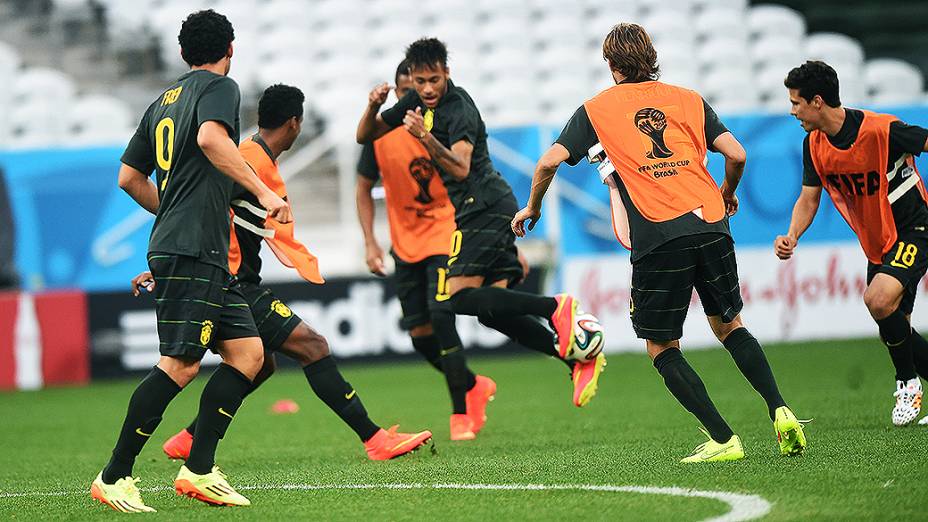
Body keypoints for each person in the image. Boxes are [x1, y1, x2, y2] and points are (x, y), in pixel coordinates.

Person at [512, 23, 807, 463]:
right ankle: (781, 410)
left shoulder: (596, 109)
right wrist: (727, 194)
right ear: (652, 58)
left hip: (659, 233)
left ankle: (724, 439)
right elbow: (738, 154)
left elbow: (548, 162)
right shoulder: (687, 98)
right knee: (730, 326)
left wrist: (532, 208)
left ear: (610, 65)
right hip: (711, 223)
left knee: (662, 346)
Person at [144, 84, 433, 461]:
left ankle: (188, 438)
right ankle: (374, 438)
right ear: (295, 123)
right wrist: (172, 266)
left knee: (261, 364)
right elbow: (195, 207)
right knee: (313, 346)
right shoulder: (246, 159)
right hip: (228, 281)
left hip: (234, 279)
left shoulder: (255, 156)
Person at [90, 9, 291, 511]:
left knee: (250, 355)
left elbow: (128, 178)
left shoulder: (161, 102)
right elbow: (210, 139)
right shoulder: (220, 88)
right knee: (180, 364)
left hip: (194, 246)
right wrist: (263, 191)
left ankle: (199, 469)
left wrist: (175, 215)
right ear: (230, 49)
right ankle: (114, 476)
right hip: (192, 248)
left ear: (182, 53)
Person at [356, 38, 606, 416]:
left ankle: (556, 306)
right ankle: (576, 361)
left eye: (434, 80)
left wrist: (424, 138)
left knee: (456, 298)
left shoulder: (459, 108)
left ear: (447, 73)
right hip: (473, 209)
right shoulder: (416, 102)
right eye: (420, 81)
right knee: (492, 313)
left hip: (484, 204)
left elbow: (459, 167)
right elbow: (366, 135)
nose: (426, 89)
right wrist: (374, 105)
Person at [776, 60, 928, 426]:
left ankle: (907, 384)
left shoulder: (881, 130)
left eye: (796, 102)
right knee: (893, 328)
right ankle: (909, 373)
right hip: (878, 241)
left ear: (816, 101)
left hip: (914, 228)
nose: (792, 110)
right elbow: (809, 198)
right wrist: (792, 235)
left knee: (877, 299)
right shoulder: (813, 144)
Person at [356, 60, 494, 441]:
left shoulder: (444, 124)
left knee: (441, 314)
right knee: (418, 334)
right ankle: (472, 383)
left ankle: (460, 415)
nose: (411, 98)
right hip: (405, 243)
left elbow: (471, 171)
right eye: (404, 92)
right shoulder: (382, 135)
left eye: (415, 90)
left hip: (445, 230)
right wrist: (370, 241)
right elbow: (363, 187)